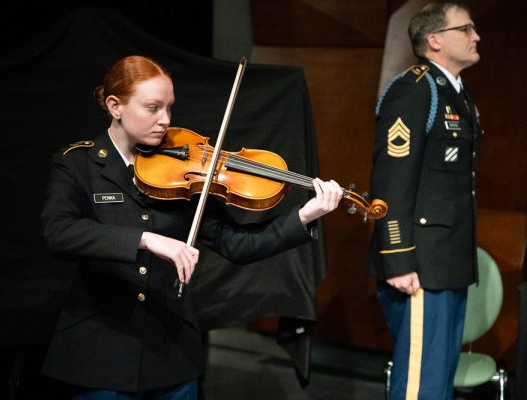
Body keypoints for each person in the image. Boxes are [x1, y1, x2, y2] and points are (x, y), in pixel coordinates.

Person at [40, 55, 343, 399]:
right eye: (153, 108)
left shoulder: (184, 166)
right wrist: (146, 239)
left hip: (172, 352)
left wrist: (305, 215)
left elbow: (236, 244)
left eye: (169, 108)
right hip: (100, 352)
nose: (165, 120)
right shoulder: (77, 163)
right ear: (115, 106)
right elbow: (59, 232)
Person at [366, 2, 482, 399]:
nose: (476, 36)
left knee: (438, 379)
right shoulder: (415, 90)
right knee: (420, 384)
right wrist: (397, 256)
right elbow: (391, 181)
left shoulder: (456, 93)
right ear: (434, 40)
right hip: (419, 265)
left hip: (447, 261)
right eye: (465, 29)